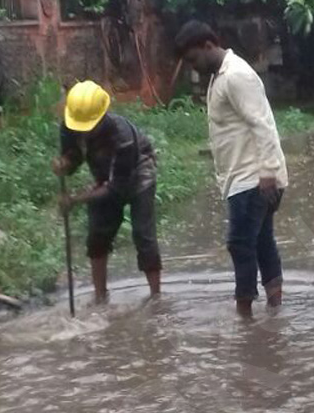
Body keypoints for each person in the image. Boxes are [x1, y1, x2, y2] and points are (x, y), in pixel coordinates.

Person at [174, 21, 288, 318]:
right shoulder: (220, 76)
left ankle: (245, 318)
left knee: (239, 244)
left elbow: (261, 123)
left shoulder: (236, 75)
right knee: (262, 242)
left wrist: (268, 173)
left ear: (209, 45)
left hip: (253, 178)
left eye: (193, 59)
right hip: (243, 177)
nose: (193, 68)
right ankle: (275, 309)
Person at [52, 80, 162, 303]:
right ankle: (100, 296)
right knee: (97, 235)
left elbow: (117, 188)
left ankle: (156, 297)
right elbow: (74, 158)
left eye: (89, 126)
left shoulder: (122, 137)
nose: (83, 131)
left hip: (138, 171)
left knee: (143, 234)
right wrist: (65, 164)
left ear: (102, 116)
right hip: (105, 176)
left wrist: (75, 199)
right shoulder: (69, 126)